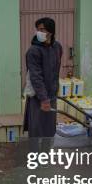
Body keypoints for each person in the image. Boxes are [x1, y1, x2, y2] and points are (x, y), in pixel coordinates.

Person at [23, 17, 62, 152]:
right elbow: (36, 77)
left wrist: (54, 91)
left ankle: (45, 153)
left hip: (52, 94)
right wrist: (44, 99)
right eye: (38, 29)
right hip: (38, 96)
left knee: (50, 128)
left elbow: (56, 70)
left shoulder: (57, 47)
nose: (39, 32)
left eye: (42, 29)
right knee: (36, 128)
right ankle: (33, 155)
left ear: (50, 32)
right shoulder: (33, 51)